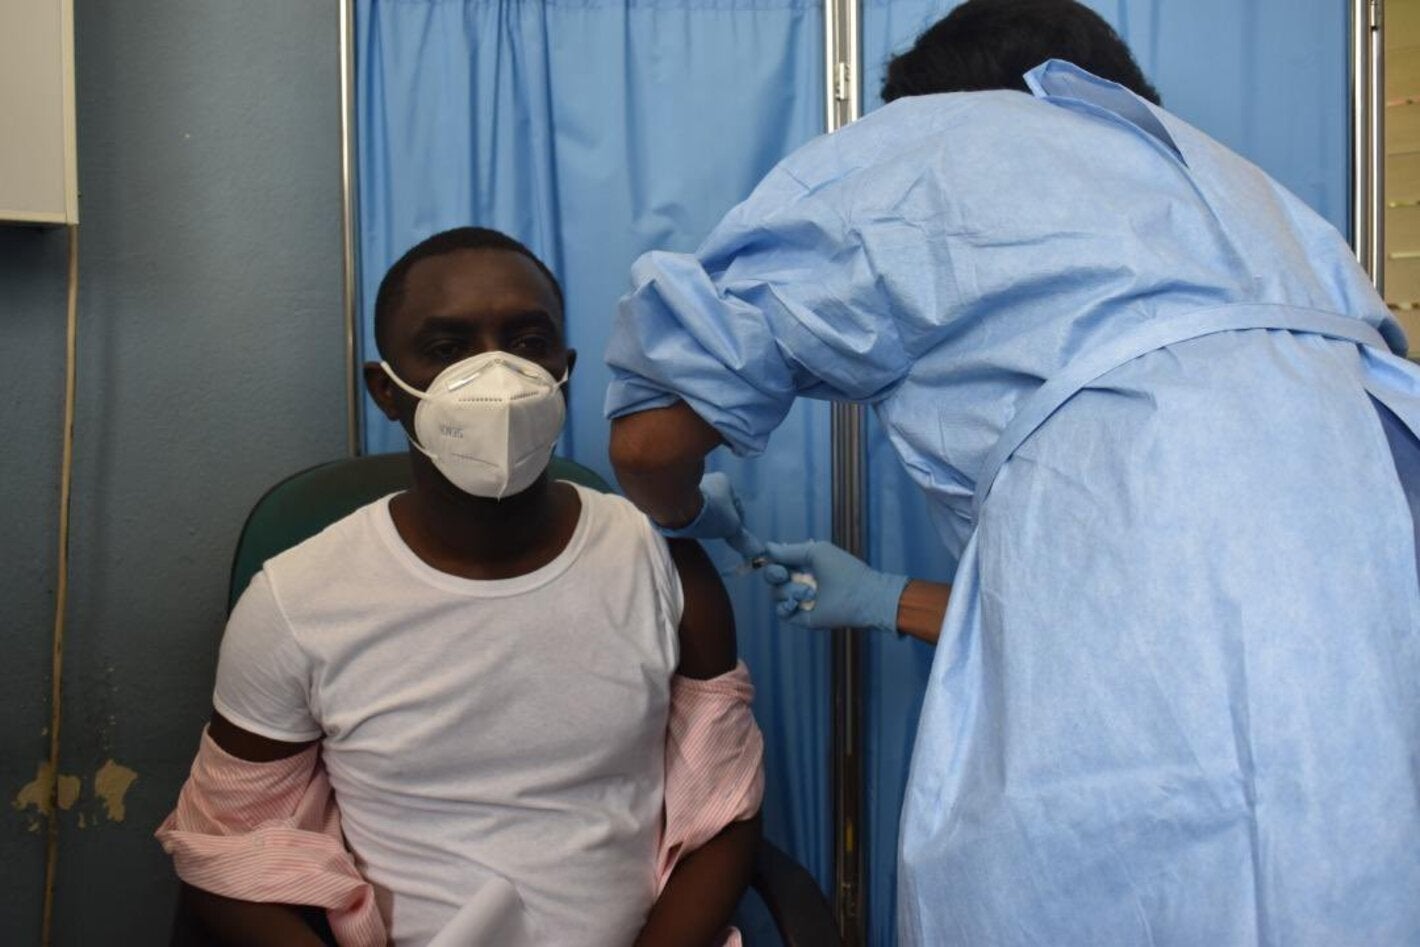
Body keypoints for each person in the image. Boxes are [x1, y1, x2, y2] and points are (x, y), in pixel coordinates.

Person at [604, 1, 1420, 943]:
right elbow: (1219, 606)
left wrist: (686, 513)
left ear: (936, 105)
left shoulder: (931, 149)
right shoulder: (1268, 210)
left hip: (1141, 791)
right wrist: (887, 599)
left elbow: (649, 442)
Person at [157, 227, 763, 947]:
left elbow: (724, 812)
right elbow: (226, 849)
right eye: (447, 349)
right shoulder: (297, 602)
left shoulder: (662, 566)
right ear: (387, 390)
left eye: (528, 342)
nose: (497, 377)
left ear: (564, 370)